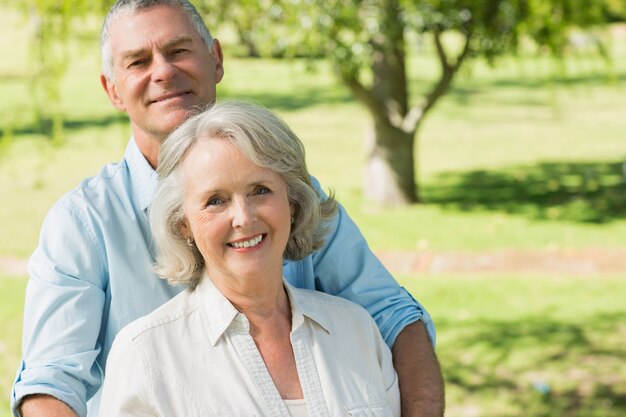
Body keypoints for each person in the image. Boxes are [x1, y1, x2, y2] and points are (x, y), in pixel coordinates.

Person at [11, 1, 444, 416]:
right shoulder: (83, 223)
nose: (163, 71)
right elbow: (51, 383)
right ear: (113, 91)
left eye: (179, 50)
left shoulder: (291, 194)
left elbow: (393, 318)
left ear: (216, 59)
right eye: (138, 62)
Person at [99, 100, 401, 416]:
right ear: (183, 224)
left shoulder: (357, 330)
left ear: (293, 202)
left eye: (260, 190)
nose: (243, 218)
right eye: (215, 200)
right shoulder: (146, 354)